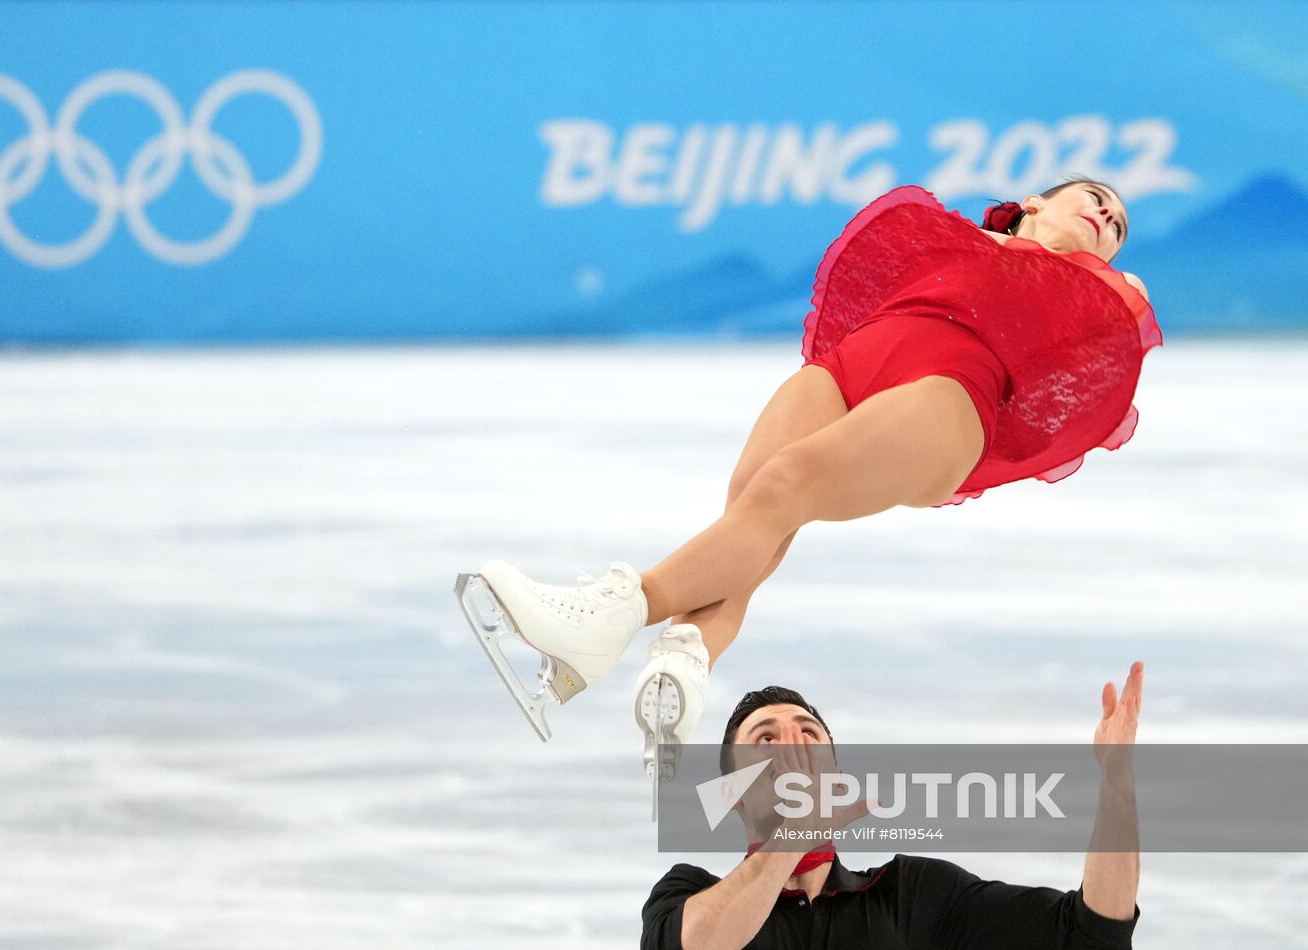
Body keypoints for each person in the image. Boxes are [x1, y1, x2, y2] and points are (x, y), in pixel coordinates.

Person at [468, 180, 1161, 777]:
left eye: (1119, 226)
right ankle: (685, 662)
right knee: (751, 506)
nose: (1108, 217)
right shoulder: (951, 235)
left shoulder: (1102, 292)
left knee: (785, 486)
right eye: (1095, 198)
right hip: (856, 361)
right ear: (1036, 201)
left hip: (949, 397)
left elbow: (1096, 361)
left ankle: (609, 616)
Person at [641, 666, 1144, 949]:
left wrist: (1116, 786)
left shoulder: (913, 894)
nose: (790, 749)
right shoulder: (686, 894)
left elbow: (1090, 934)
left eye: (806, 736)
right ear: (733, 791)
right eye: (766, 740)